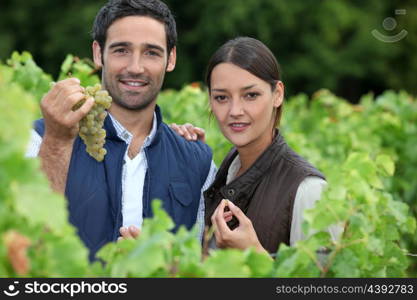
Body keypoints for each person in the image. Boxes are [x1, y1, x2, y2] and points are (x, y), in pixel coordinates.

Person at [26, 0, 216, 261]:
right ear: (97, 53)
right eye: (121, 50)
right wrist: (57, 143)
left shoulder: (200, 163)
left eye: (151, 52)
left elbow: (204, 265)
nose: (135, 67)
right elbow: (23, 250)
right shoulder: (40, 140)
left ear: (171, 58)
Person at [173, 37, 340, 257]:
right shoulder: (224, 174)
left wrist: (255, 254)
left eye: (250, 95)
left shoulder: (309, 190)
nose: (235, 110)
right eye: (222, 97)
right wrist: (189, 161)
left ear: (277, 94)